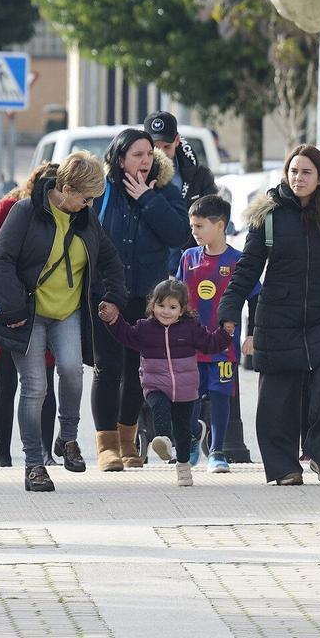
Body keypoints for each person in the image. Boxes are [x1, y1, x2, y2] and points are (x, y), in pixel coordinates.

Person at [0, 152, 127, 493]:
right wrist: (15, 309)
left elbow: (109, 259)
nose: (88, 204)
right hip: (29, 315)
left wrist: (115, 298)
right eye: (85, 198)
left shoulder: (85, 219)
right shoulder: (25, 212)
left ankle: (68, 438)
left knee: (73, 372)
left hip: (68, 312)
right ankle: (34, 463)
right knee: (35, 388)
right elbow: (1, 260)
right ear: (64, 189)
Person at [220, 145, 320, 486]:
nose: (298, 178)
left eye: (306, 172)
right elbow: (248, 269)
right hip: (277, 316)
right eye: (293, 171)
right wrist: (229, 307)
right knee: (277, 399)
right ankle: (284, 468)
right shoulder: (267, 215)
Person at [92, 128, 192, 472]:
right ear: (120, 160)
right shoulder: (102, 191)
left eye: (149, 154)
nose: (146, 160)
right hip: (107, 293)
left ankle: (127, 440)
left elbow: (180, 234)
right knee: (108, 368)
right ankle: (106, 445)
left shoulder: (166, 190)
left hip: (147, 298)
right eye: (137, 154)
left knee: (138, 371)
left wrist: (149, 200)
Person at [0, 163, 60, 468]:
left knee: (45, 383)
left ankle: (46, 454)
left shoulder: (66, 212)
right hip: (3, 308)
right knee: (6, 384)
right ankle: (4, 458)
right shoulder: (10, 207)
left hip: (44, 305)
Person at [99, 278, 233, 486]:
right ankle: (162, 439)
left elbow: (210, 344)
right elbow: (126, 336)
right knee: (159, 407)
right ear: (152, 306)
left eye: (172, 307)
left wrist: (226, 333)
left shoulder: (190, 329)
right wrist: (113, 320)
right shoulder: (145, 328)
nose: (166, 311)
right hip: (155, 384)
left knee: (183, 430)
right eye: (160, 305)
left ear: (182, 310)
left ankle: (183, 466)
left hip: (185, 389)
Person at [177, 194, 250, 472]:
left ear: (220, 226)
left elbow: (255, 296)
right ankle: (193, 439)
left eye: (199, 226)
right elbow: (177, 298)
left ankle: (217, 451)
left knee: (220, 395)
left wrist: (251, 335)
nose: (193, 232)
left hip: (224, 346)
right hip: (191, 345)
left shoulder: (238, 261)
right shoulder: (188, 258)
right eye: (192, 226)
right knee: (191, 396)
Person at [142, 111, 218, 202]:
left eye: (167, 147)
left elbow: (214, 212)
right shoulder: (135, 173)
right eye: (155, 148)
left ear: (177, 141)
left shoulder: (201, 175)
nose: (162, 153)